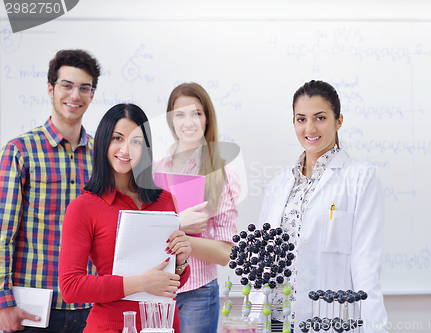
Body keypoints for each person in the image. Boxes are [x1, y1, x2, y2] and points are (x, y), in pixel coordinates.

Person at [252, 80, 387, 332]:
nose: (310, 128)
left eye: (320, 117)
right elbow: (263, 261)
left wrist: (374, 327)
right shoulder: (279, 185)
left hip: (328, 318)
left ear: (339, 121)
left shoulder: (360, 176)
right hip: (277, 320)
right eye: (301, 119)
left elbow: (365, 263)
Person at [59, 103, 191, 332]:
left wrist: (181, 262)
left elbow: (172, 283)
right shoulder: (83, 207)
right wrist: (141, 283)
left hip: (164, 325)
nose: (126, 150)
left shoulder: (166, 201)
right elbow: (71, 287)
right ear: (103, 142)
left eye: (136, 141)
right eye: (117, 138)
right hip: (111, 326)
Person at [0, 49, 101, 333]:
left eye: (84, 88)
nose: (75, 95)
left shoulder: (102, 156)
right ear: (50, 88)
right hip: (33, 308)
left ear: (92, 95)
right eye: (66, 85)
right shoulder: (19, 151)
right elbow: (3, 232)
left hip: (90, 305)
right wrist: (3, 302)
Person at [153, 83, 240, 333]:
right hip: (157, 288)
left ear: (207, 118)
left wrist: (180, 238)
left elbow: (226, 253)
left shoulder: (222, 174)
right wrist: (178, 224)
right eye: (180, 114)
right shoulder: (154, 170)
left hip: (198, 294)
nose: (188, 122)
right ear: (171, 121)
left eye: (196, 113)